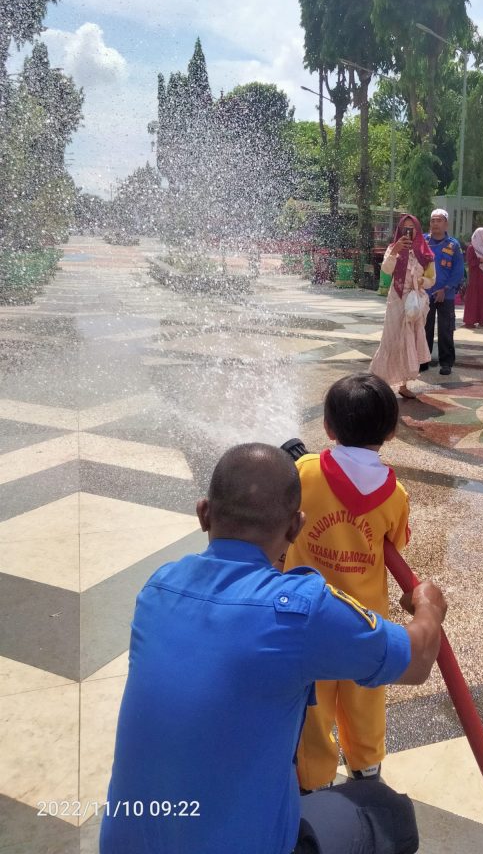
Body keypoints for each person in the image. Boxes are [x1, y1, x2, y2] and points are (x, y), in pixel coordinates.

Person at [101, 443, 446, 854]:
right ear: (296, 527)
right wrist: (428, 606)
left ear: (204, 513)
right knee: (387, 811)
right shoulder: (300, 611)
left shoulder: (157, 588)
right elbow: (418, 659)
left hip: (125, 843)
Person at [283, 373, 410, 792]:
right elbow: (398, 539)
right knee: (365, 698)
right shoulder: (395, 495)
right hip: (365, 623)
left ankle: (313, 779)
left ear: (328, 427)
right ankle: (366, 768)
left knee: (313, 705)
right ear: (391, 431)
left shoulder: (305, 472)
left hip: (307, 619)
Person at [370, 214, 435, 399]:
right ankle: (379, 381)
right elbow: (386, 270)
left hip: (414, 303)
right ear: (400, 230)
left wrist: (420, 281)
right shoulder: (393, 248)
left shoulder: (426, 252)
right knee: (390, 339)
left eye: (412, 227)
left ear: (417, 229)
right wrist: (396, 250)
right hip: (396, 300)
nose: (409, 230)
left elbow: (432, 279)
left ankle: (403, 384)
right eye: (405, 227)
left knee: (408, 341)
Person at [421, 208, 464, 376]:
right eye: (432, 220)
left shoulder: (453, 245)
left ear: (446, 224)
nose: (435, 224)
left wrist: (445, 289)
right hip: (426, 293)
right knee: (425, 327)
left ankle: (446, 362)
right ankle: (423, 360)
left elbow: (458, 271)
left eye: (439, 220)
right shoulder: (423, 241)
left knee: (446, 329)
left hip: (447, 294)